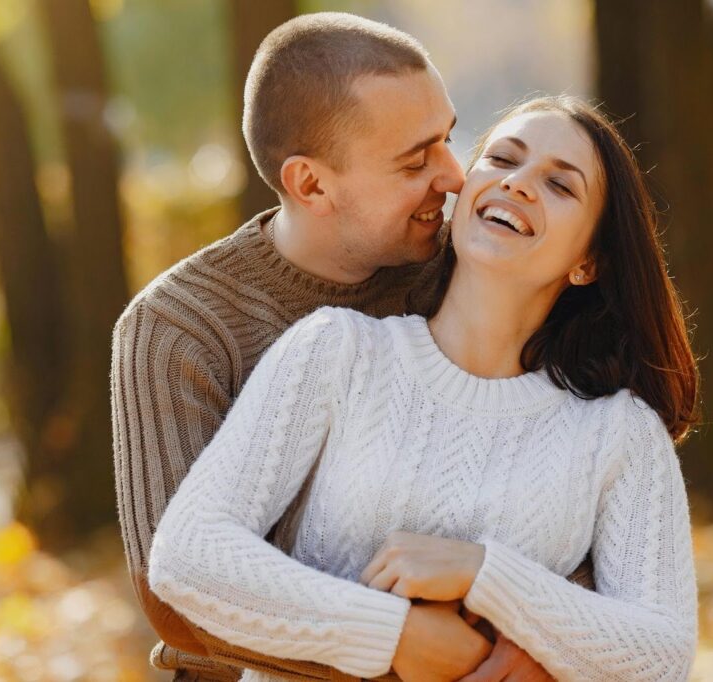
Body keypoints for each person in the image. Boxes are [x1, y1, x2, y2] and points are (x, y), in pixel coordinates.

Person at [147, 94, 701, 682]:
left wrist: (486, 575)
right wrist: (393, 635)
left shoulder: (617, 432)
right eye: (502, 159)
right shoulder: (340, 352)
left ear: (589, 262)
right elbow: (189, 555)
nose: (517, 184)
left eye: (561, 186)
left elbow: (663, 655)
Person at [111, 12, 589, 680]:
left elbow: (574, 467)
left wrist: (532, 647)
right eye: (415, 159)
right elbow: (174, 595)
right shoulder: (181, 327)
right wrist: (394, 643)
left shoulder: (460, 275)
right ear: (311, 184)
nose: (454, 176)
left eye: (449, 140)